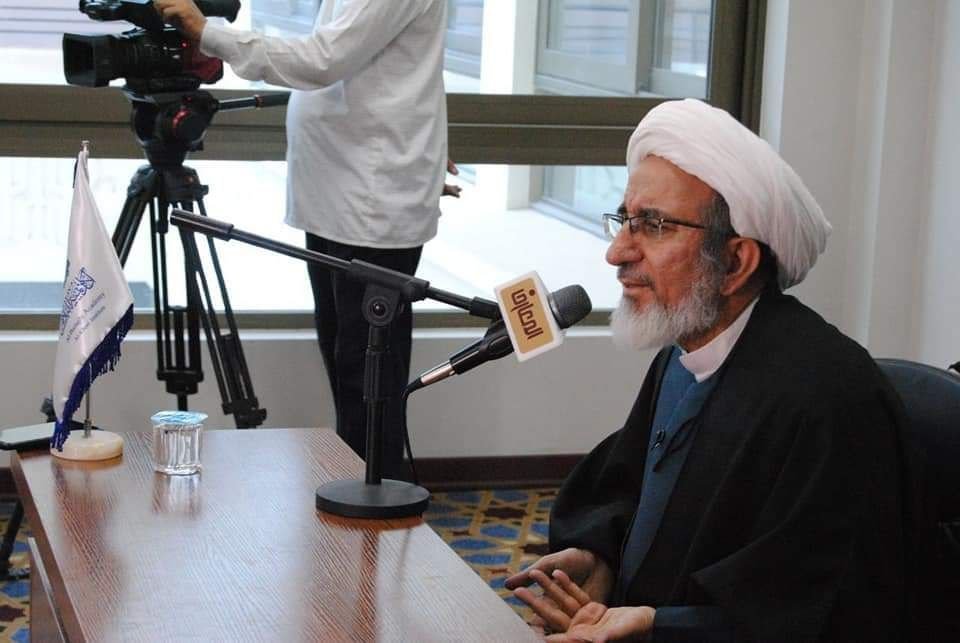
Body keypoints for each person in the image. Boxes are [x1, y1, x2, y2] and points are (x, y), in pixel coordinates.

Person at [505, 99, 926, 642]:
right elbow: (631, 490)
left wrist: (659, 627)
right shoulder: (684, 355)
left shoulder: (827, 400)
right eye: (624, 219)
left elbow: (823, 608)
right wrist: (601, 557)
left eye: (653, 225)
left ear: (734, 262)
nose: (617, 252)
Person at [153, 0, 455, 478]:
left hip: (370, 203)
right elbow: (390, 69)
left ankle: (378, 500)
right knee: (345, 358)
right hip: (338, 195)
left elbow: (321, 60)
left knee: (367, 371)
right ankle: (359, 491)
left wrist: (206, 31)